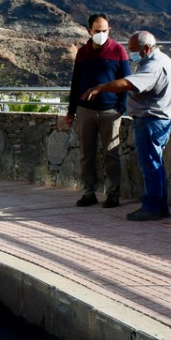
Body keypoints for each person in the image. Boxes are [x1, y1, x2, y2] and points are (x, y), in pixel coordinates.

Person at [82, 31, 171, 221]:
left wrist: (100, 88)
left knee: (149, 165)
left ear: (146, 48)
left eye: (133, 49)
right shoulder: (164, 60)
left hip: (150, 120)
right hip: (158, 120)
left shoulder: (153, 66)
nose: (130, 53)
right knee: (156, 164)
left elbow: (128, 83)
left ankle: (151, 207)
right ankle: (160, 206)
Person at [66, 13, 131, 208]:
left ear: (109, 29)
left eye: (105, 30)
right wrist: (71, 110)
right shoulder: (82, 53)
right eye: (97, 31)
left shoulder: (119, 50)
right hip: (85, 111)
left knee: (111, 154)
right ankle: (89, 192)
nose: (102, 34)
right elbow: (76, 83)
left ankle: (113, 194)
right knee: (87, 154)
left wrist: (120, 108)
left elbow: (127, 81)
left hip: (110, 111)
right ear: (89, 31)